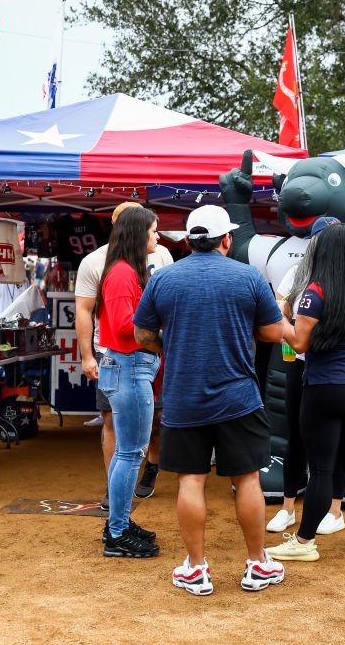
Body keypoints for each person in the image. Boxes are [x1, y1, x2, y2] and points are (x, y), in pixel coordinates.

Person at [132, 204, 287, 595]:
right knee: (247, 479)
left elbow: (142, 337)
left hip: (184, 397)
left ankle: (197, 569)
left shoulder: (163, 279)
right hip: (239, 397)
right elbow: (272, 333)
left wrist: (175, 341)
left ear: (188, 240)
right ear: (227, 239)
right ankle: (257, 563)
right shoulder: (249, 276)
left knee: (191, 480)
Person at [266, 222, 345, 563]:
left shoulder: (315, 292)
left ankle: (304, 542)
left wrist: (281, 322)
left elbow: (299, 342)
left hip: (326, 386)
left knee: (319, 469)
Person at [76, 202, 175, 504]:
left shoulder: (153, 258)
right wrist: (87, 355)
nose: (158, 236)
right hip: (125, 357)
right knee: (122, 434)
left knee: (150, 426)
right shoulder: (110, 267)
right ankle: (117, 500)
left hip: (138, 358)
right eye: (153, 230)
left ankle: (144, 475)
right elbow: (107, 319)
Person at [266, 220, 345, 537]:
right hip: (299, 363)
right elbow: (278, 311)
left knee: (335, 440)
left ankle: (336, 509)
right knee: (295, 436)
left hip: (335, 368)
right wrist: (288, 323)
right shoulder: (296, 273)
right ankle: (287, 507)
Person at [94, 205, 162, 558]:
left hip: (128, 367)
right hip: (129, 366)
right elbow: (124, 326)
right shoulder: (122, 274)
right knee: (130, 452)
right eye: (153, 231)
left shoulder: (124, 271)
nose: (157, 236)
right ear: (139, 234)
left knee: (129, 451)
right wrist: (160, 328)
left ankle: (119, 523)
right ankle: (117, 531)